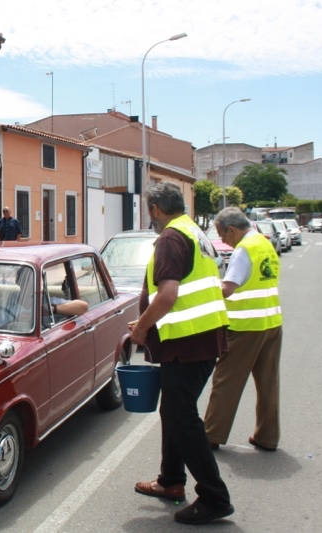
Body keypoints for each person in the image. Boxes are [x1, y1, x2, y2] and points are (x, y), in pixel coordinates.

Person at [129, 182, 233, 525]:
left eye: (150, 211)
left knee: (181, 417)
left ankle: (214, 497)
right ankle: (171, 480)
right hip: (198, 338)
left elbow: (168, 294)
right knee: (174, 411)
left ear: (156, 209)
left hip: (189, 342)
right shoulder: (194, 232)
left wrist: (141, 328)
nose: (150, 217)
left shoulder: (171, 238)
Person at [204, 207, 282, 452]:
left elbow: (227, 289)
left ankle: (211, 435)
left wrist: (205, 288)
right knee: (268, 384)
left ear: (232, 230)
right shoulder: (264, 243)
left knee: (226, 381)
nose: (223, 241)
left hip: (245, 326)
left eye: (222, 235)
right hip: (271, 322)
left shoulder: (243, 250)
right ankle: (267, 436)